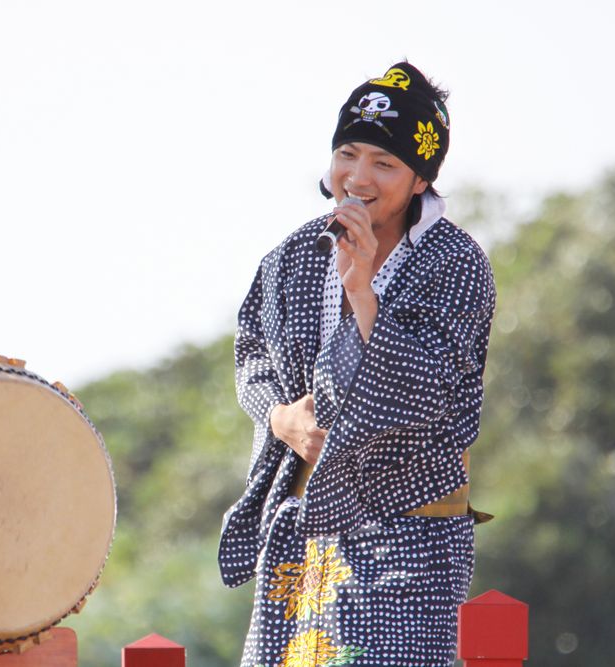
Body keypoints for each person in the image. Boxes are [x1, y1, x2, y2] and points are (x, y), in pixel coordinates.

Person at [218, 62, 496, 667]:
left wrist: (364, 290)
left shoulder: (456, 264)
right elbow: (253, 359)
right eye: (348, 153)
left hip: (408, 531)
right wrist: (281, 418)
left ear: (420, 178)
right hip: (301, 526)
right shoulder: (292, 256)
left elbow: (431, 392)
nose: (358, 176)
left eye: (384, 163)